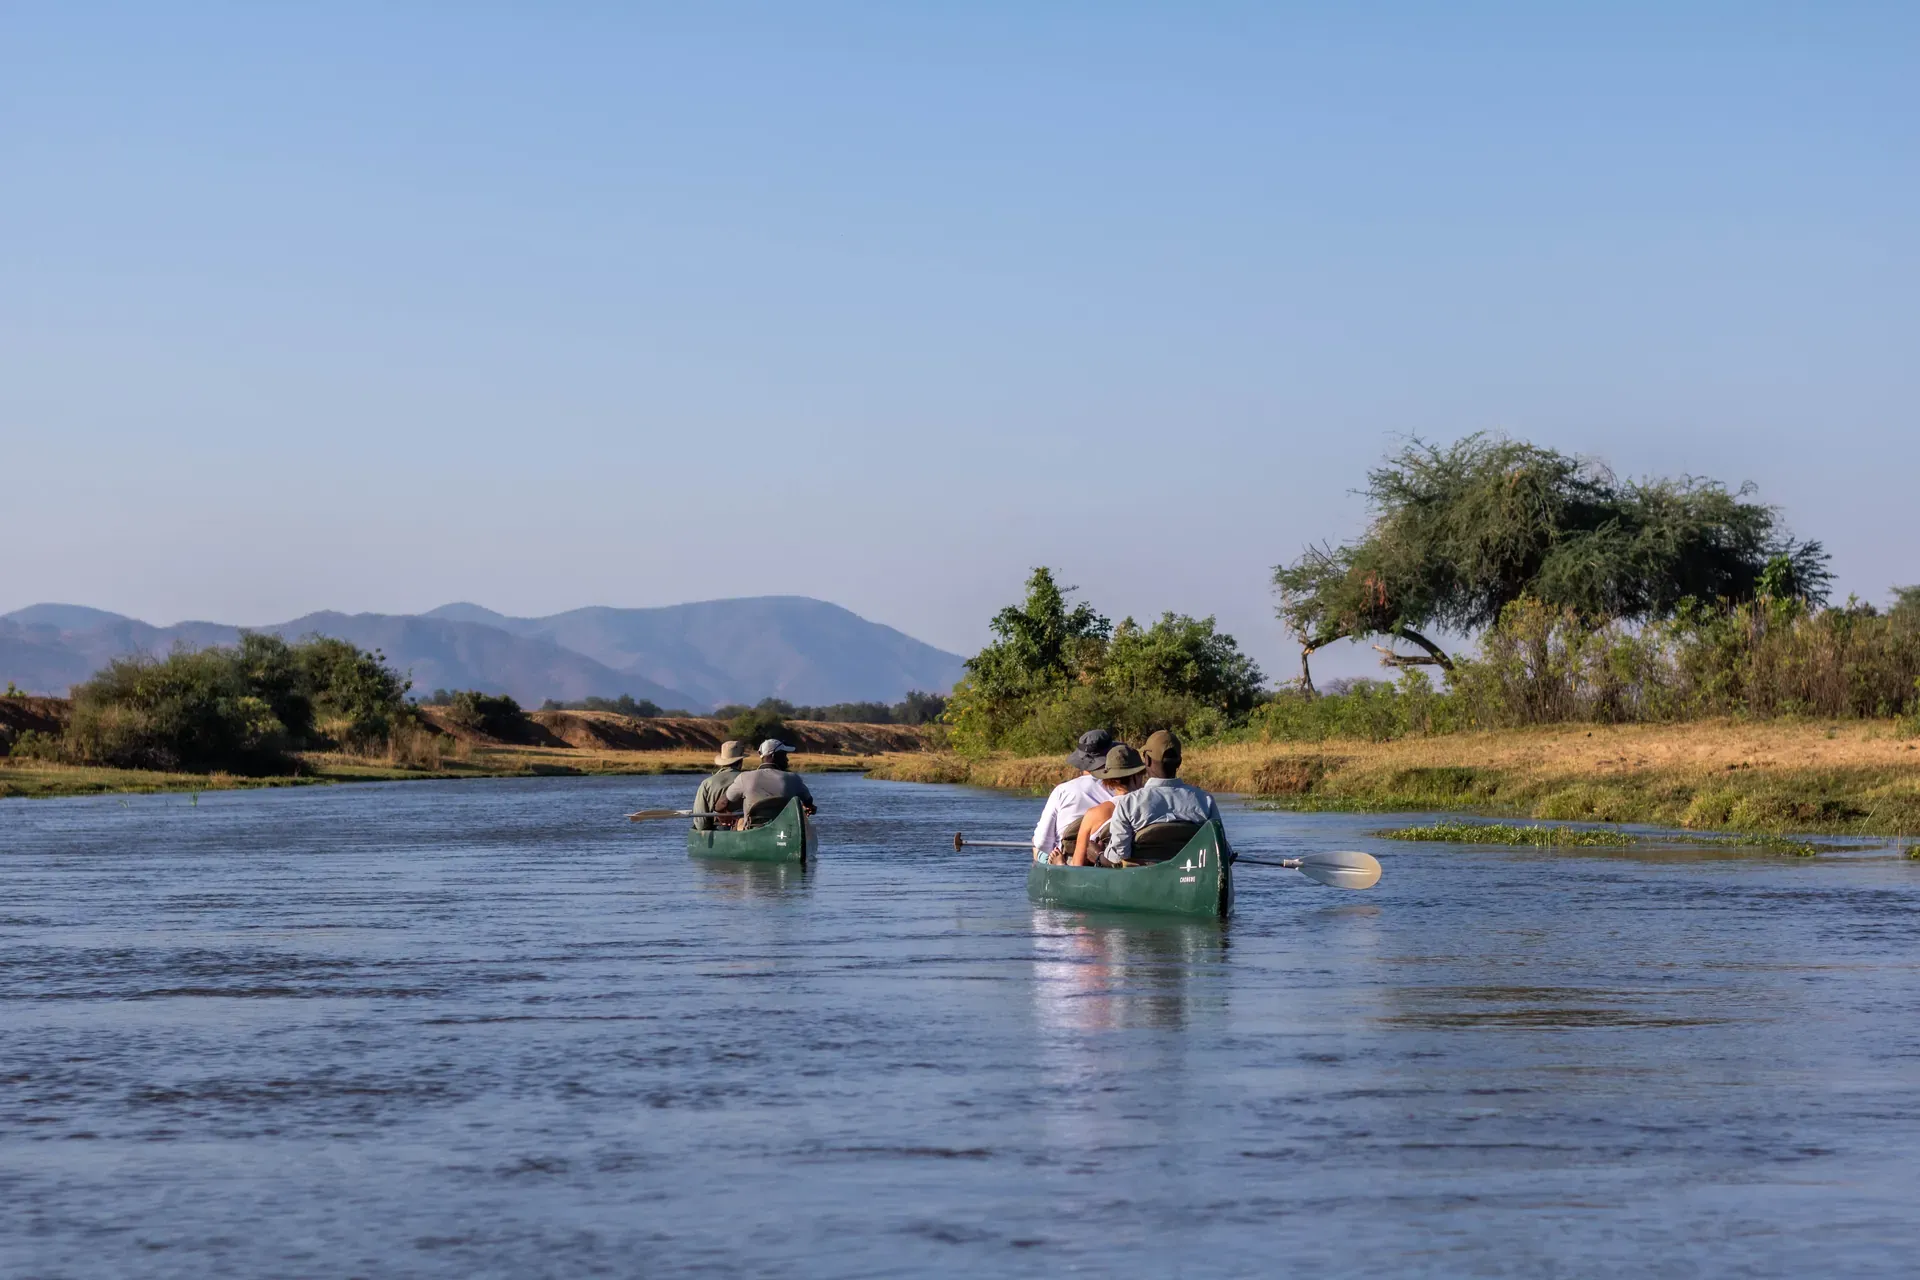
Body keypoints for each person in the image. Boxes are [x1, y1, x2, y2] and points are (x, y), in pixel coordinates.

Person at [1101, 729, 1232, 865]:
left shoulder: (1128, 803)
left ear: (1146, 759)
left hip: (1144, 878)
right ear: (1179, 762)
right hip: (1191, 874)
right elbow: (1222, 850)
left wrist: (1098, 856)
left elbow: (1118, 856)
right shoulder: (1205, 800)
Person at [1031, 729, 1116, 862]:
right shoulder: (1121, 791)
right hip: (1107, 859)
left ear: (1081, 760)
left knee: (1036, 848)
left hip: (1067, 860)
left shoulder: (1062, 791)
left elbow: (1042, 842)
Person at [1069, 744, 1150, 866]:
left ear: (1108, 779)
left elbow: (1077, 866)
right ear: (1136, 775)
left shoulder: (1093, 815)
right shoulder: (1152, 807)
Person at [716, 738, 818, 829]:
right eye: (784, 755)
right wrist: (808, 806)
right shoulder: (793, 778)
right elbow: (808, 801)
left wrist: (724, 815)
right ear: (773, 755)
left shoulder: (744, 777)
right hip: (784, 832)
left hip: (753, 831)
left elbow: (720, 804)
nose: (787, 759)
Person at [691, 740, 748, 831]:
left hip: (718, 831)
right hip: (745, 829)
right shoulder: (748, 779)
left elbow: (701, 822)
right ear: (740, 761)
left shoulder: (707, 783)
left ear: (722, 762)